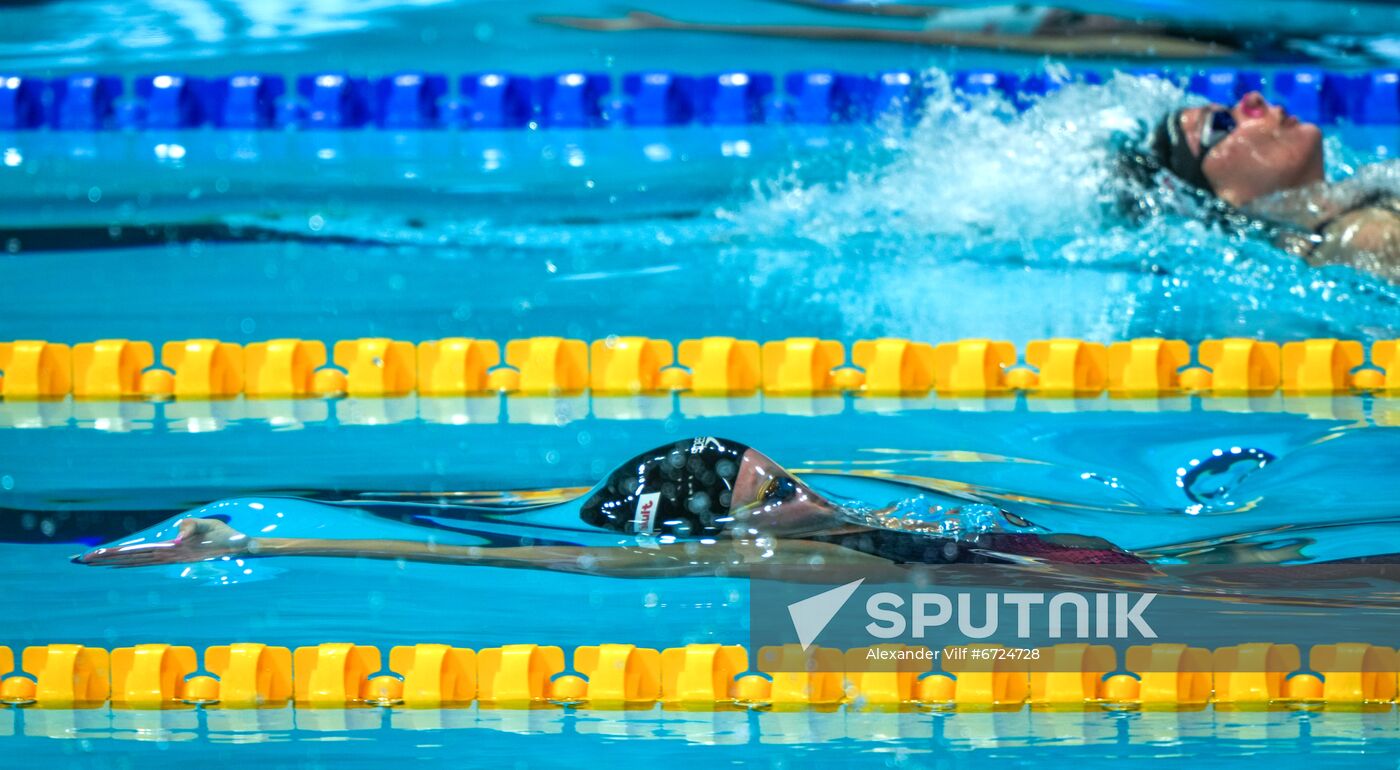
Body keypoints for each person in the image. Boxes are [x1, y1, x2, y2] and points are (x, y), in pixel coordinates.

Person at [76, 437, 1144, 576]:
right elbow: (493, 561)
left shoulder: (825, 527)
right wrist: (253, 536)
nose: (803, 492)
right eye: (775, 489)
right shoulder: (692, 558)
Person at [1121, 91, 1400, 278]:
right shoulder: (1365, 238)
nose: (1253, 99)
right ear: (1224, 198)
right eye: (1220, 124)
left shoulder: (1357, 207)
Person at [534, 7, 1233, 59]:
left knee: (893, 22)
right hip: (1034, 21)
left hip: (1033, 12)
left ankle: (673, 19)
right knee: (903, 32)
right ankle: (671, 19)